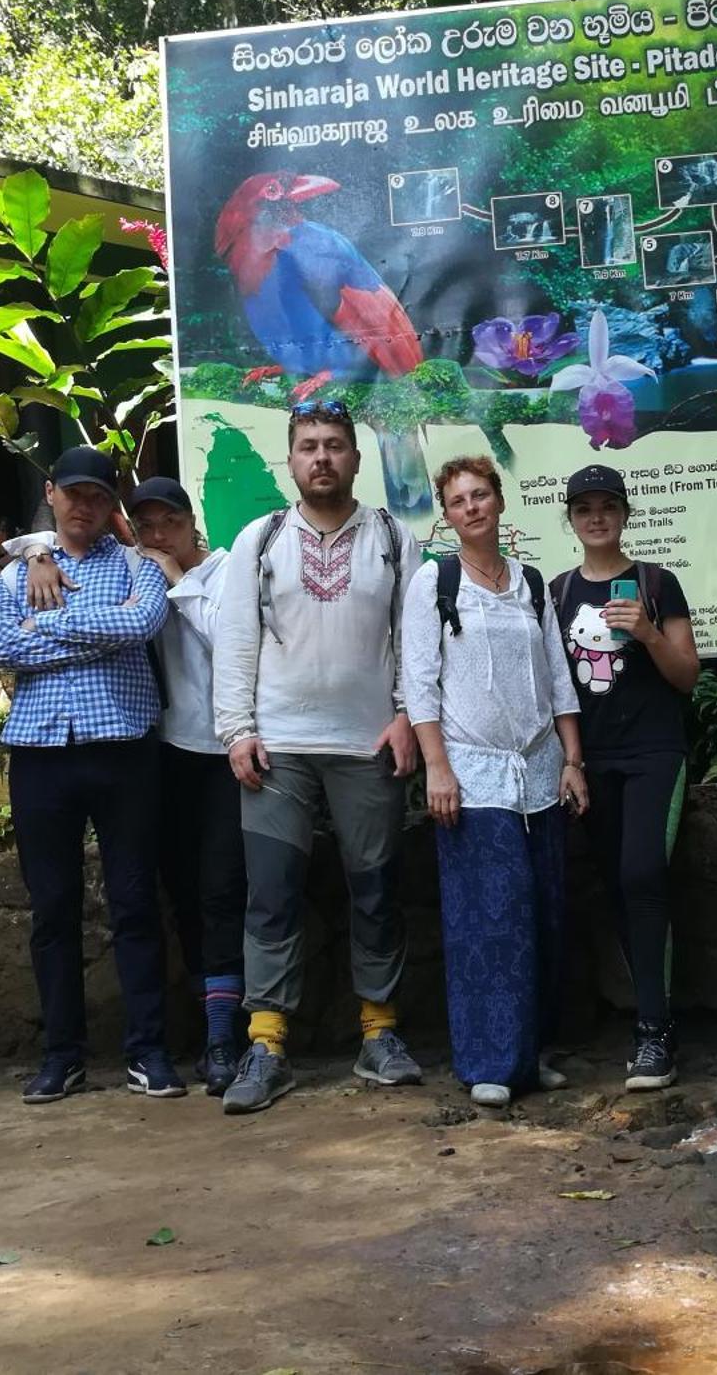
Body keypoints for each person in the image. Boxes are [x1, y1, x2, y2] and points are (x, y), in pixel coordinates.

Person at [212, 400, 424, 1114]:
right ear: (292, 459)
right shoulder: (261, 538)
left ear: (357, 458)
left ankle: (380, 1034)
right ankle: (266, 1043)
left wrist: (405, 720)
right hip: (279, 749)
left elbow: (413, 643)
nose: (322, 457)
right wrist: (236, 730)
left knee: (376, 891)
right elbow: (236, 639)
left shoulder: (395, 537)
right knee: (271, 895)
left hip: (368, 748)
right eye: (309, 446)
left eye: (335, 445)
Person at [0, 446, 182, 1105]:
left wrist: (54, 622)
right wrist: (97, 631)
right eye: (74, 494)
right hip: (41, 755)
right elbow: (3, 645)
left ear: (110, 504)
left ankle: (148, 1051)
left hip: (124, 750)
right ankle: (61, 1056)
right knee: (53, 911)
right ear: (52, 494)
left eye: (98, 496)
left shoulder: (137, 566)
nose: (85, 506)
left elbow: (142, 623)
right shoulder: (17, 575)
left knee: (133, 904)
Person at [402, 456, 586, 1108]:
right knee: (487, 922)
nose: (472, 507)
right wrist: (438, 769)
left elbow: (559, 677)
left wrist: (572, 759)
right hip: (472, 778)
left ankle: (529, 1057)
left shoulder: (531, 584)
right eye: (458, 500)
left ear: (499, 502)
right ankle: (487, 1062)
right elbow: (419, 683)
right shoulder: (434, 582)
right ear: (446, 515)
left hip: (537, 774)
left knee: (541, 916)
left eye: (481, 494)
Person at [551, 464, 698, 1091]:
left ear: (625, 513)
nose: (596, 517)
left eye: (607, 505)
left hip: (655, 752)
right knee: (614, 885)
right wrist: (573, 760)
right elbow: (557, 689)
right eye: (584, 508)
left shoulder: (656, 583)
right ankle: (646, 1015)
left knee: (642, 874)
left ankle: (655, 1031)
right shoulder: (557, 592)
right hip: (595, 758)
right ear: (572, 519)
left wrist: (646, 631)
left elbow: (688, 675)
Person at [126, 477, 245, 1095]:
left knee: (223, 891)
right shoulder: (135, 569)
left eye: (166, 522)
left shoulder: (227, 570)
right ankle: (211, 1028)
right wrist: (38, 554)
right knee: (182, 894)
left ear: (191, 522)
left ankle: (228, 1037)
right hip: (165, 754)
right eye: (144, 526)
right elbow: (52, 537)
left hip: (227, 754)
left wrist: (176, 576)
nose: (155, 536)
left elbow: (230, 640)